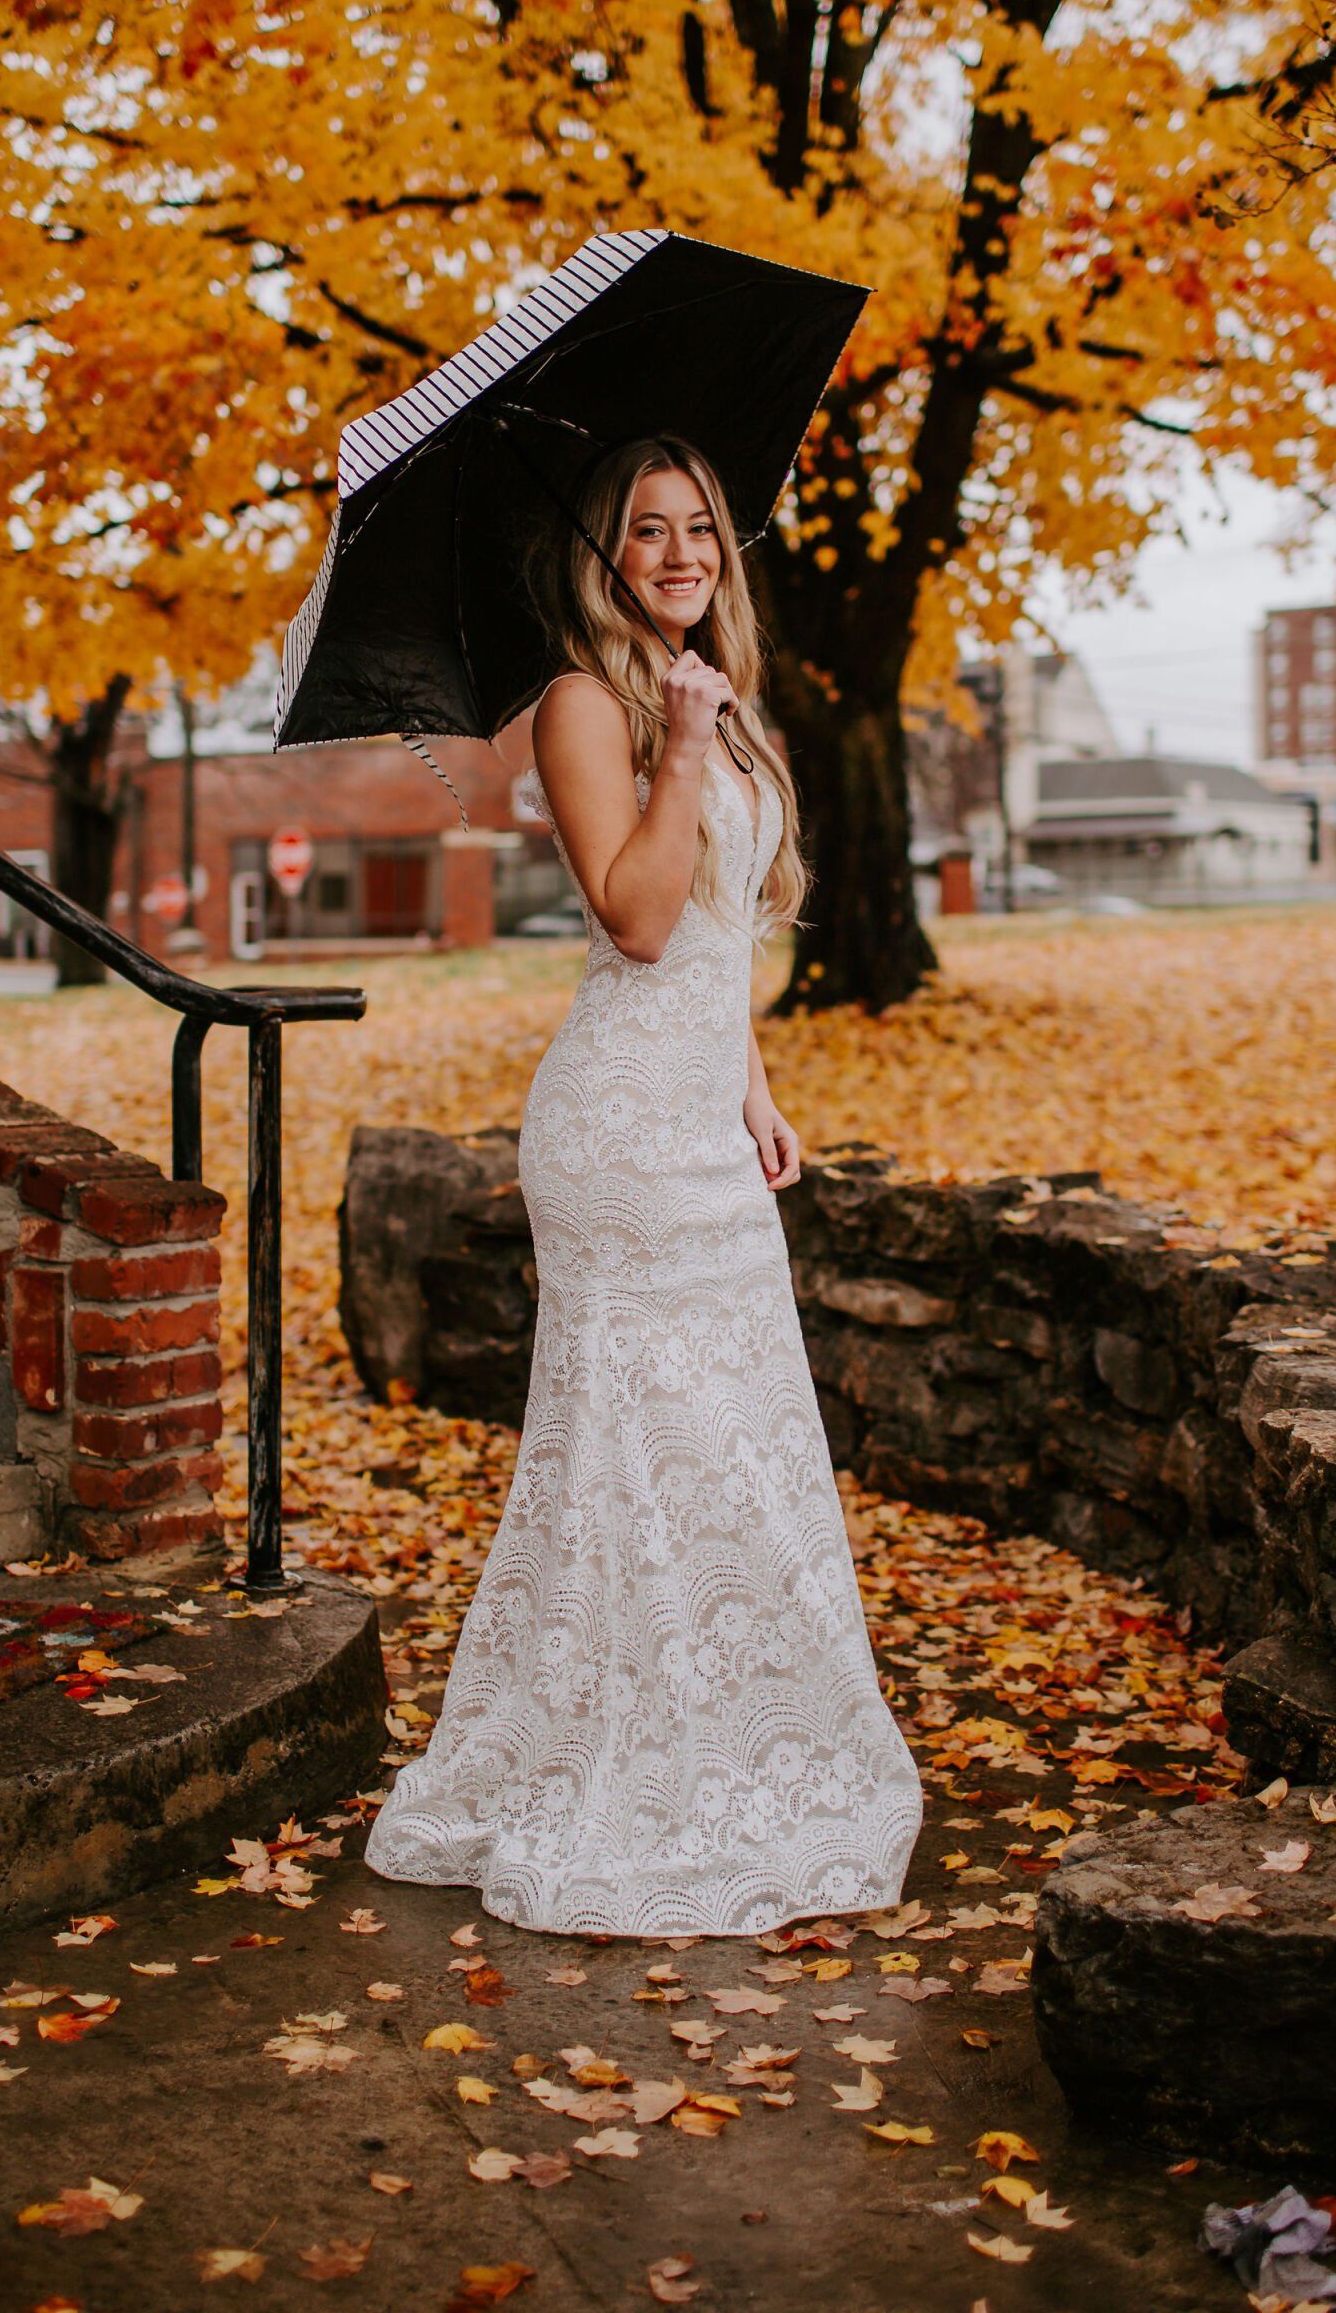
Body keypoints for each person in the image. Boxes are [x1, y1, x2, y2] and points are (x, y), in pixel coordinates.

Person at [364, 433, 922, 1937]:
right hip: (613, 1140)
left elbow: (724, 939)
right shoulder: (583, 704)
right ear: (602, 555)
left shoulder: (713, 701)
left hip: (701, 1120)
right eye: (649, 531)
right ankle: (618, 1761)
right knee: (640, 1451)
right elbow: (641, 923)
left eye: (701, 529)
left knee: (736, 1437)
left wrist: (754, 1089)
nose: (682, 555)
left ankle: (739, 1739)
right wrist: (678, 743)